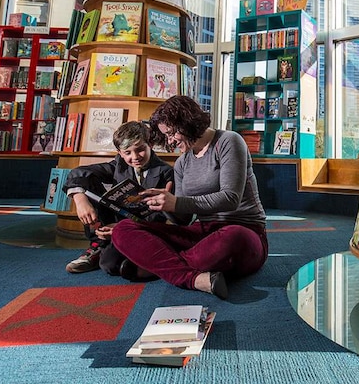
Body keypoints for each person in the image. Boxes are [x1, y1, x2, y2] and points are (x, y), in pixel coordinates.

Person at [111, 96, 268, 300]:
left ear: (187, 123)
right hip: (202, 233)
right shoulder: (182, 163)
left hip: (245, 230)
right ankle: (195, 279)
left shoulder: (229, 141)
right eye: (165, 136)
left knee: (232, 236)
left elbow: (231, 198)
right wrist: (165, 204)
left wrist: (176, 202)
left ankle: (157, 266)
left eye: (171, 133)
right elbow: (184, 220)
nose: (170, 141)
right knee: (123, 230)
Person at [63, 121, 174, 280]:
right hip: (116, 224)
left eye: (140, 150)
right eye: (127, 152)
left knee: (110, 265)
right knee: (86, 182)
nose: (134, 157)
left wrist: (123, 229)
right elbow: (78, 172)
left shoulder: (166, 172)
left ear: (150, 144)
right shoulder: (118, 166)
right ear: (119, 153)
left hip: (145, 229)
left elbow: (160, 217)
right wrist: (80, 201)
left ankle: (122, 252)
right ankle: (98, 245)